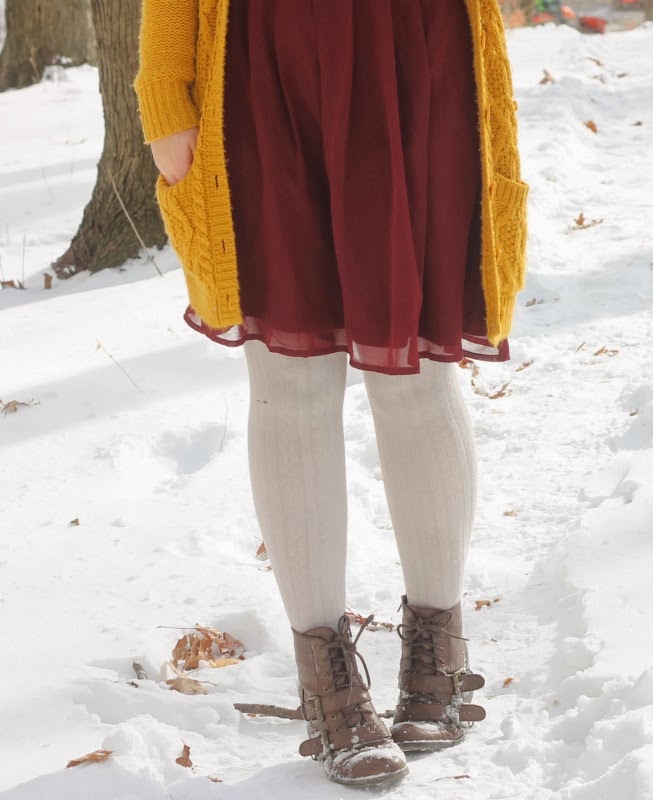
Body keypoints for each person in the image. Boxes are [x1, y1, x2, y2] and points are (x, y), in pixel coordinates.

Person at [134, 0, 528, 787]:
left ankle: (437, 662)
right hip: (260, 60)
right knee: (289, 380)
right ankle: (329, 689)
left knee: (417, 372)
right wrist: (165, 87)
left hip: (415, 50)